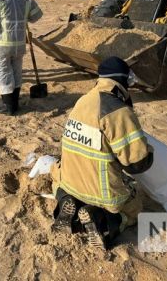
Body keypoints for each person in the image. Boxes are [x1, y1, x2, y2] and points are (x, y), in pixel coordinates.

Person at [50, 56, 154, 249]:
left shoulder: (83, 100)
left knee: (58, 179)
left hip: (71, 180)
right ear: (122, 80)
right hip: (102, 191)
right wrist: (149, 149)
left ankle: (67, 201)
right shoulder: (118, 111)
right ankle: (102, 221)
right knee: (134, 208)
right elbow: (137, 163)